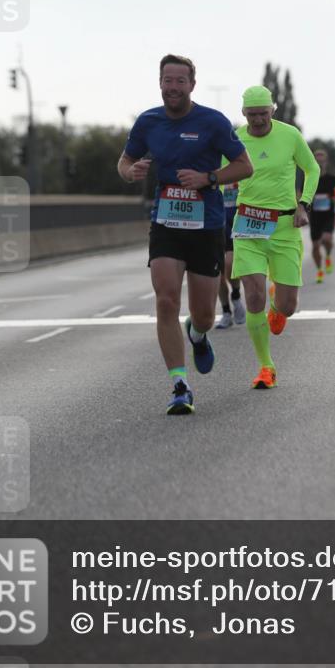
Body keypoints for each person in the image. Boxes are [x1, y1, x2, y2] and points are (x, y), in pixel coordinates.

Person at [118, 54, 253, 415]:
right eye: (168, 80)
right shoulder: (148, 121)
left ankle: (198, 333)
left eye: (180, 81)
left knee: (204, 314)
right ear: (160, 83)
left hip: (206, 225)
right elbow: (125, 161)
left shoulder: (212, 122)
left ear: (192, 84)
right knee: (165, 300)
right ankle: (180, 385)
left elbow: (245, 166)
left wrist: (209, 178)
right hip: (166, 222)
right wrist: (130, 171)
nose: (173, 87)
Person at [230, 86, 320, 390]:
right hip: (248, 224)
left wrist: (304, 204)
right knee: (254, 296)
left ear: (272, 111)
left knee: (288, 306)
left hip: (284, 226)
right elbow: (219, 172)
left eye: (263, 114)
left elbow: (312, 169)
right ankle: (266, 367)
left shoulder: (290, 135)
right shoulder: (235, 139)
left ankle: (278, 310)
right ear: (243, 113)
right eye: (252, 114)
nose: (258, 120)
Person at [215, 170, 247, 328]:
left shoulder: (243, 164)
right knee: (217, 274)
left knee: (229, 265)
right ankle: (226, 311)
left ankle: (236, 296)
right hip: (216, 221)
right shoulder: (214, 165)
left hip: (236, 220)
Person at [309, 150, 335, 282]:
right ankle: (319, 270)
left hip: (328, 215)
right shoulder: (309, 177)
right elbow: (299, 193)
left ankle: (328, 256)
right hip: (314, 216)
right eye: (317, 161)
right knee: (315, 246)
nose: (319, 163)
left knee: (327, 239)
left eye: (322, 161)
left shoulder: (332, 178)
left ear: (326, 162)